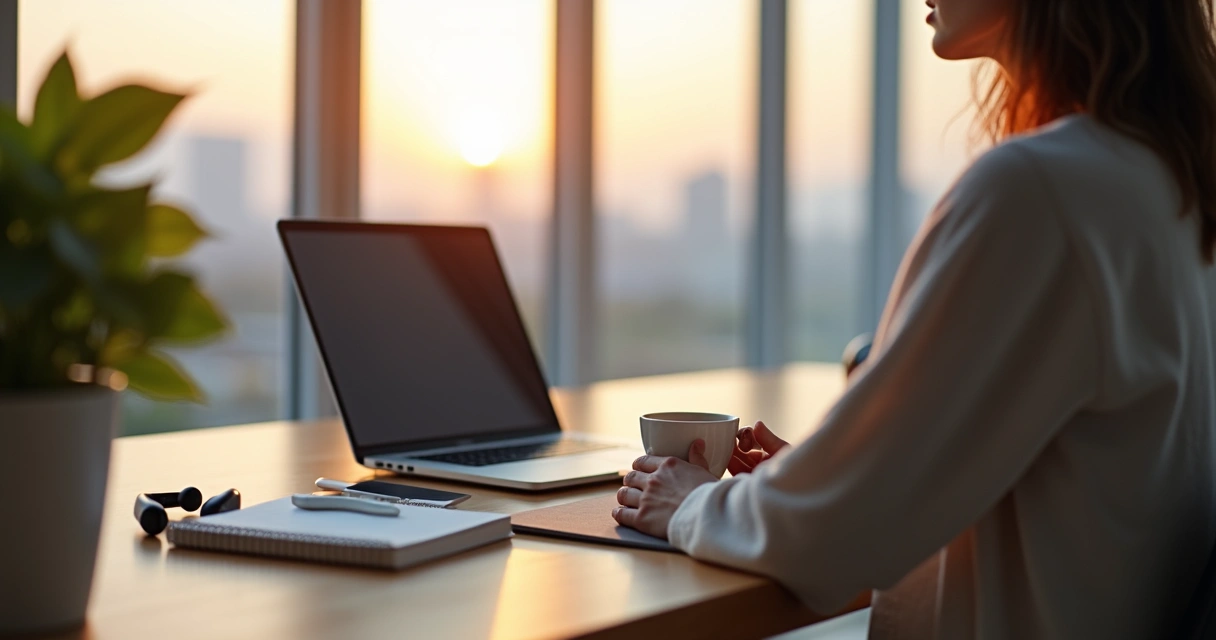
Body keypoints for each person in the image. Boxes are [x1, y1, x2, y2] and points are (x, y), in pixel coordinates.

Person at [612, 0, 1216, 637]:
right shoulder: (1169, 184)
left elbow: (837, 543)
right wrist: (840, 478)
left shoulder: (1038, 192)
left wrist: (694, 504)